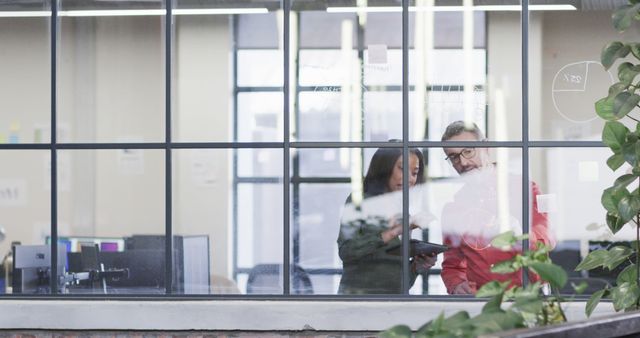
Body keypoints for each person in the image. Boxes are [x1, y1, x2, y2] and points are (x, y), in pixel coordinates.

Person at [440, 121, 553, 295]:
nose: (463, 162)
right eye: (454, 157)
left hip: (529, 299)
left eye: (468, 151)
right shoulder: (454, 208)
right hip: (483, 306)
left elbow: (546, 241)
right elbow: (452, 265)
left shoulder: (526, 189)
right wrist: (456, 285)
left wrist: (520, 234)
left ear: (486, 147)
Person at [337, 147, 436, 294]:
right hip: (358, 304)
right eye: (402, 169)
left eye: (414, 173)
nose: (410, 178)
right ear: (384, 168)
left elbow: (399, 283)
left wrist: (416, 266)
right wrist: (395, 230)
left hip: (392, 306)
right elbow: (346, 251)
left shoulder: (402, 210)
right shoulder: (360, 201)